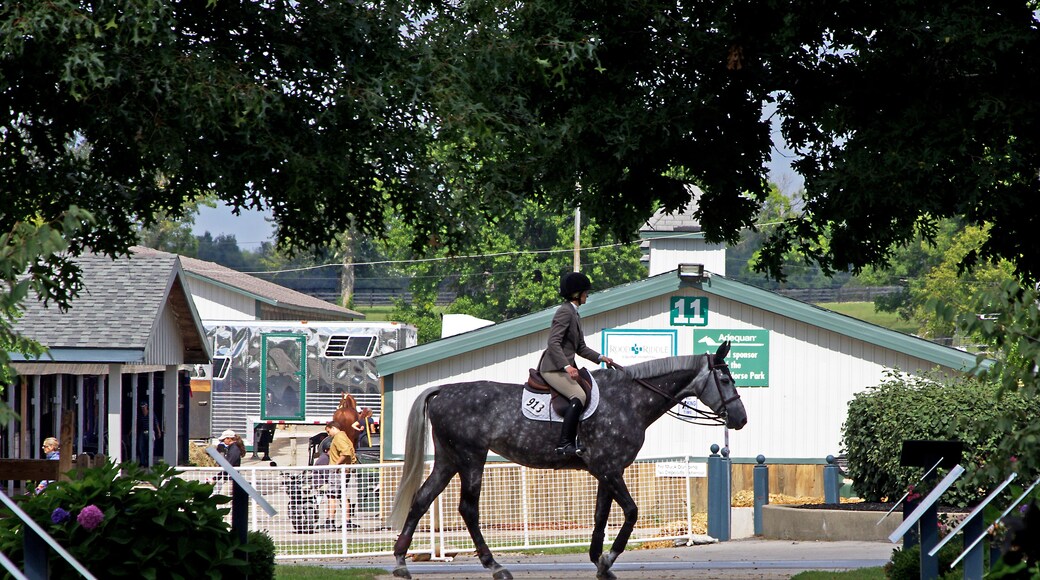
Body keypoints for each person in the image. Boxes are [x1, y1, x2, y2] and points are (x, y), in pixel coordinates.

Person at [538, 271, 614, 456]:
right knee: (579, 396)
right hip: (552, 368)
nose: (587, 295)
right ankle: (564, 443)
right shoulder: (565, 312)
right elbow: (553, 343)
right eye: (585, 292)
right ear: (577, 294)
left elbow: (580, 348)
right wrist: (567, 366)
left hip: (562, 367)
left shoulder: (574, 313)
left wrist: (601, 358)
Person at [326, 420, 359, 529]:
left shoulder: (338, 437)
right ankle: (347, 521)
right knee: (343, 495)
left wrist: (336, 464)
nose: (328, 434)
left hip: (337, 471)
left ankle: (330, 521)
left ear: (333, 428)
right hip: (345, 471)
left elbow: (346, 452)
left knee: (332, 495)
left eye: (328, 431)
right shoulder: (345, 436)